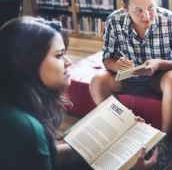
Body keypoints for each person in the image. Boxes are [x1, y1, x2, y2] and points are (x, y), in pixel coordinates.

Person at [0, 17, 158, 170]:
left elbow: (48, 156)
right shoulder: (26, 128)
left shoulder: (13, 109)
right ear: (24, 65)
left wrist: (109, 141)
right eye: (59, 55)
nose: (68, 62)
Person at [89, 0, 172, 170]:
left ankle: (163, 141)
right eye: (138, 10)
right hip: (130, 78)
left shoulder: (170, 20)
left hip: (160, 76)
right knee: (97, 81)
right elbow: (107, 59)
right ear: (124, 7)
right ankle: (128, 134)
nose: (147, 16)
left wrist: (159, 63)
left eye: (151, 7)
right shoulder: (114, 20)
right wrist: (117, 67)